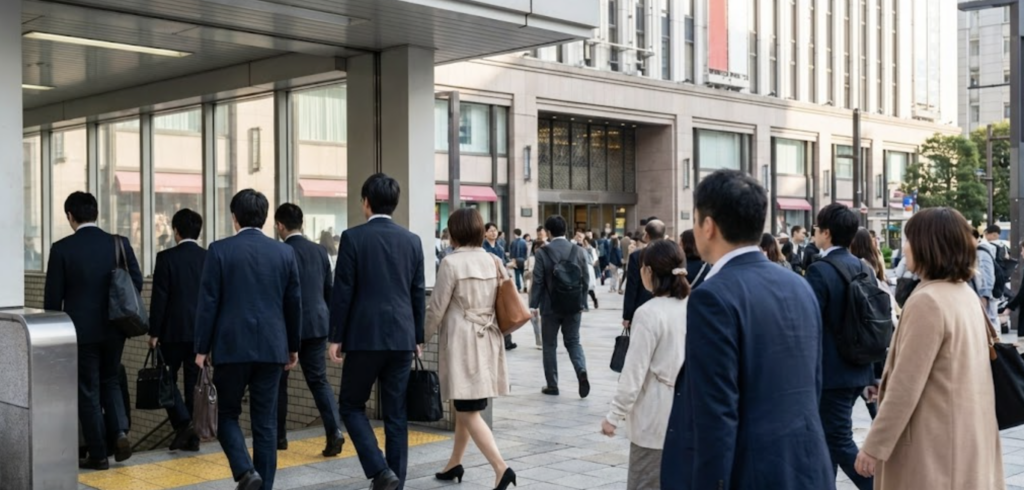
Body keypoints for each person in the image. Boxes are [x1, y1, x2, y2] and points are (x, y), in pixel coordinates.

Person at [662, 170, 832, 489]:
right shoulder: (799, 285)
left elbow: (715, 415)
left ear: (707, 226)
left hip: (749, 474)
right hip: (807, 467)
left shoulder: (713, 297)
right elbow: (813, 384)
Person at [854, 208, 1005, 489]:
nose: (905, 248)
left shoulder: (928, 301)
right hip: (962, 440)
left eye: (909, 240)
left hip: (930, 449)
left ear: (927, 245)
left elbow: (905, 386)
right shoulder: (964, 295)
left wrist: (874, 446)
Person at [194, 189, 302, 490]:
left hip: (231, 347)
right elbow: (294, 304)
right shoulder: (284, 252)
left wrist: (201, 348)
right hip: (272, 347)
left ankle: (244, 471)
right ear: (266, 218)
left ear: (234, 218)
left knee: (227, 413)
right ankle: (262, 485)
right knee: (265, 424)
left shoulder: (219, 250)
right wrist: (293, 347)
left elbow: (208, 303)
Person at [329, 174, 425, 490]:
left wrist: (335, 337)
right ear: (394, 203)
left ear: (366, 202)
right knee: (396, 414)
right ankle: (394, 481)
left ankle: (380, 471)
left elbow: (342, 291)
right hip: (401, 337)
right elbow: (416, 292)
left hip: (364, 336)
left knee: (351, 405)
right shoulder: (412, 241)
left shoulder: (353, 238)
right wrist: (418, 337)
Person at [45, 191, 143, 470]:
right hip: (117, 328)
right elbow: (135, 283)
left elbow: (52, 301)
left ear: (70, 216)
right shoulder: (118, 243)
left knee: (88, 389)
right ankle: (120, 432)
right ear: (96, 213)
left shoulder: (62, 249)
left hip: (80, 332)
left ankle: (98, 454)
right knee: (110, 379)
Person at [425, 208, 517, 490]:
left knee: (467, 408)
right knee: (468, 403)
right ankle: (454, 463)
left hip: (463, 342)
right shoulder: (493, 260)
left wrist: (420, 337)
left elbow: (436, 308)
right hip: (488, 340)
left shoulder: (451, 264)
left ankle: (502, 468)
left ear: (455, 232)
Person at [601, 239, 688, 490]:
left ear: (648, 272)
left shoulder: (649, 313)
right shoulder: (694, 305)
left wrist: (614, 416)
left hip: (655, 419)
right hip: (689, 416)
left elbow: (633, 372)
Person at [804, 204, 877, 490]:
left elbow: (808, 327)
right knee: (827, 438)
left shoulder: (819, 271)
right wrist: (871, 374)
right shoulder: (863, 267)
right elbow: (868, 323)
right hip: (857, 368)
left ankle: (878, 486)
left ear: (826, 233)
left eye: (816, 228)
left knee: (837, 439)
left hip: (829, 374)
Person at [273, 204, 345, 457]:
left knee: (279, 383)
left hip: (285, 327)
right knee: (319, 381)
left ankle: (278, 437)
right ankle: (334, 431)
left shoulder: (280, 252)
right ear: (301, 223)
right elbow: (329, 290)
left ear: (280, 225)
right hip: (317, 324)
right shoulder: (319, 251)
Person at [148, 208, 206, 453]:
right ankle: (191, 437)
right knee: (194, 383)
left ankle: (183, 424)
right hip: (199, 334)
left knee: (165, 380)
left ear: (176, 231)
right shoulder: (209, 258)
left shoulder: (166, 258)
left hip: (171, 333)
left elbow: (159, 299)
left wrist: (154, 332)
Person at [529, 215, 591, 398]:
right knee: (573, 341)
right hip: (573, 305)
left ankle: (552, 385)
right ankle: (581, 370)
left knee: (549, 345)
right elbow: (586, 279)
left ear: (548, 232)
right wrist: (582, 301)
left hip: (550, 306)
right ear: (566, 230)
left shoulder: (542, 252)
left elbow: (538, 281)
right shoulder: (578, 251)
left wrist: (534, 304)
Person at [622, 220, 666, 328]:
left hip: (642, 305)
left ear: (646, 235)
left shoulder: (637, 255)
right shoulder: (673, 253)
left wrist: (627, 315)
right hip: (667, 305)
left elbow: (632, 286)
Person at [483, 222, 516, 351]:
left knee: (504, 311)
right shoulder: (482, 248)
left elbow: (503, 264)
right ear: (485, 233)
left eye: (495, 230)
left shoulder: (500, 247)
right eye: (490, 231)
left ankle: (507, 340)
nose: (493, 233)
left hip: (500, 282)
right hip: (488, 282)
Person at [971, 229, 1000, 329]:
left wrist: (984, 297)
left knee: (988, 326)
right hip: (979, 299)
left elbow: (987, 278)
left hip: (984, 299)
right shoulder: (973, 253)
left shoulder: (981, 253)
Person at [525, 239, 545, 350]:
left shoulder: (548, 259)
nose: (538, 250)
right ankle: (538, 337)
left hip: (545, 291)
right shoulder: (531, 259)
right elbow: (525, 275)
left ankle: (544, 337)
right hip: (533, 290)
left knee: (544, 316)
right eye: (536, 247)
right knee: (533, 316)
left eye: (541, 247)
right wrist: (531, 272)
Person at [582, 237, 599, 310]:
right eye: (584, 242)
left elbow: (595, 259)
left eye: (586, 242)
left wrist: (591, 263)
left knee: (589, 287)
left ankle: (594, 300)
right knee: (585, 287)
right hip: (583, 268)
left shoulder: (591, 249)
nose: (585, 243)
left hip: (589, 268)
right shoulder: (581, 249)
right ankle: (584, 304)